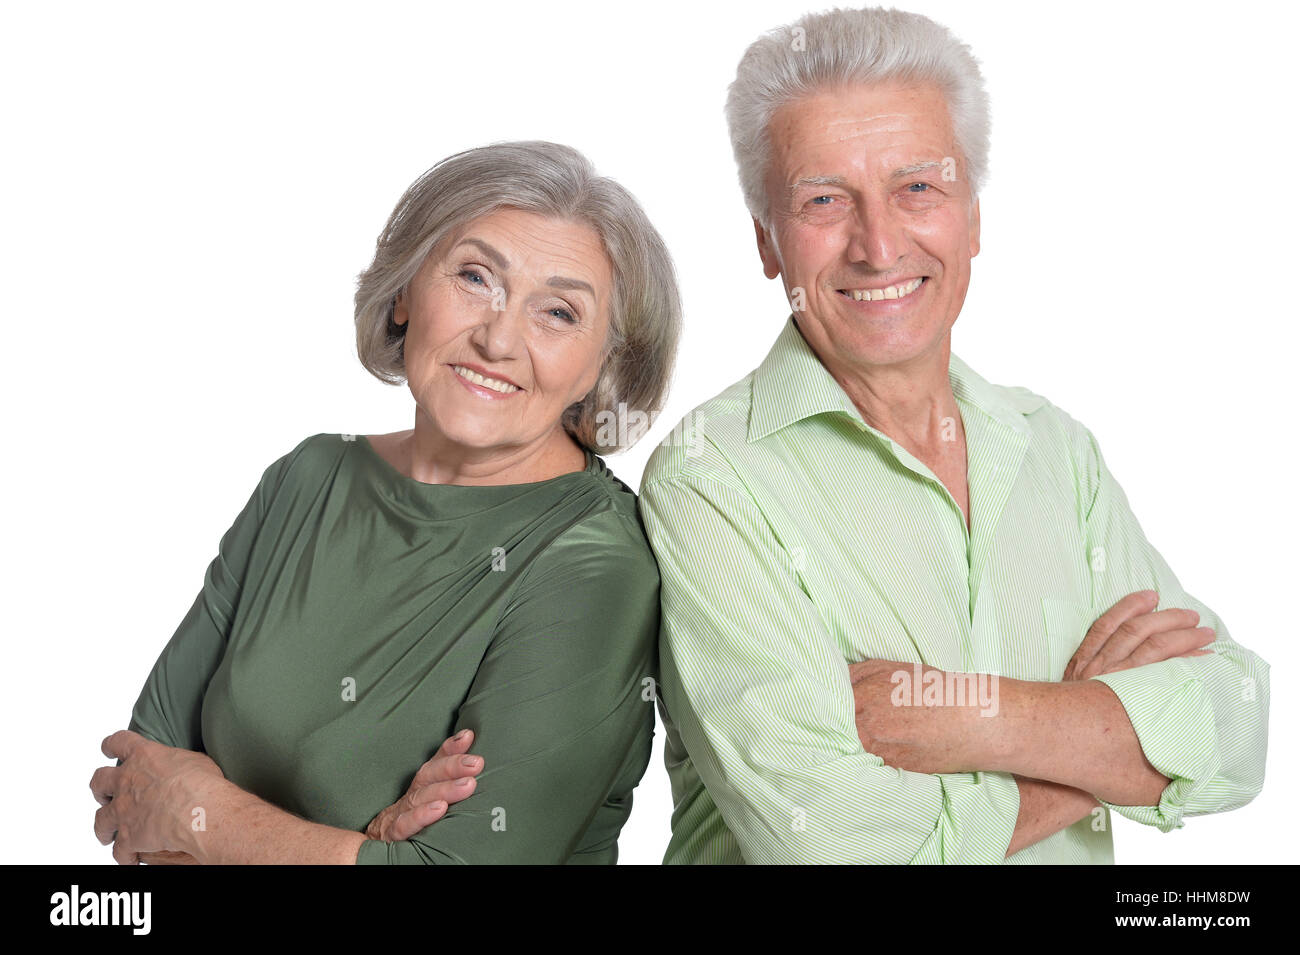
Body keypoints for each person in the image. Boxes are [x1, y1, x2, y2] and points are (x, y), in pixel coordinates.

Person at [639, 7, 1270, 863]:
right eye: (825, 200)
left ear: (971, 218)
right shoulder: (708, 476)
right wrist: (1100, 741)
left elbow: (1236, 726)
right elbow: (834, 842)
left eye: (918, 188)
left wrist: (961, 714)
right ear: (767, 242)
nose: (878, 243)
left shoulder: (1055, 449)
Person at [89, 140, 681, 864]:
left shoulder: (595, 566)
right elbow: (134, 793)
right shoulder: (308, 478)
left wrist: (206, 812)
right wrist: (364, 845)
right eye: (473, 276)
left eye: (557, 312)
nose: (498, 337)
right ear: (404, 292)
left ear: (602, 367)